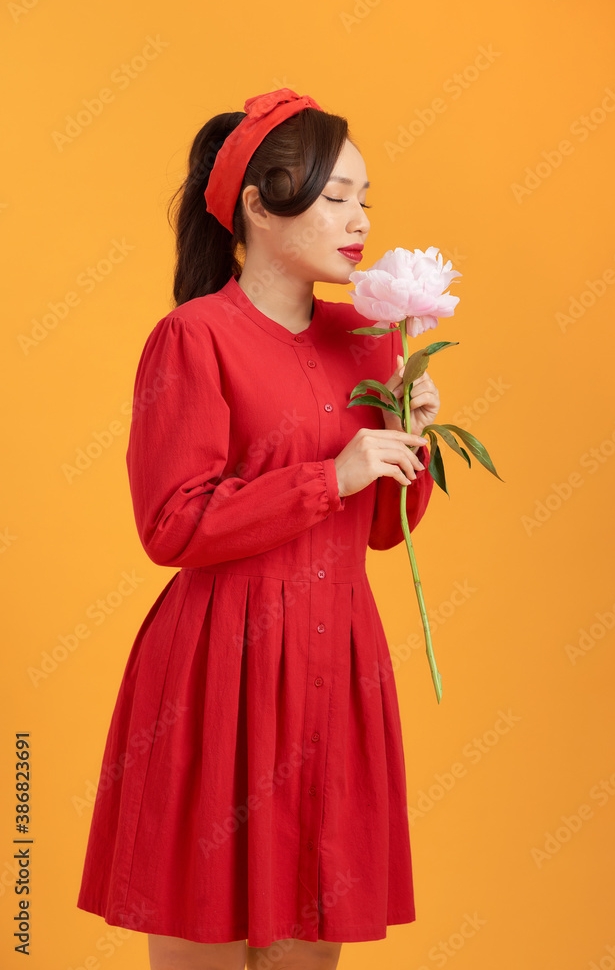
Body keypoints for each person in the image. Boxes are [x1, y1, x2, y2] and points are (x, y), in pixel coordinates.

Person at [76, 88, 438, 970]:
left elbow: (385, 533)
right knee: (209, 937)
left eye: (365, 198)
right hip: (220, 669)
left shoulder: (371, 340)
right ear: (257, 203)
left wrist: (413, 448)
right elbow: (170, 524)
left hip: (336, 665)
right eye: (335, 196)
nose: (359, 221)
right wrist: (328, 475)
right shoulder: (193, 339)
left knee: (310, 945)